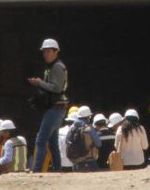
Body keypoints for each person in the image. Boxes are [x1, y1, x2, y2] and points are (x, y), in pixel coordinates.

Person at [28, 38, 69, 172]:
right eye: (44, 51)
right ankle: (58, 170)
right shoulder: (52, 66)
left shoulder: (57, 66)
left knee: (41, 140)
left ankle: (37, 170)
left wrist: (39, 83)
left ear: (56, 51)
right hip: (56, 108)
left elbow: (57, 88)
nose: (45, 54)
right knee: (52, 142)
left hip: (56, 108)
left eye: (48, 51)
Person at [65, 105, 101, 171]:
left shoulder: (71, 128)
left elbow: (67, 142)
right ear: (88, 117)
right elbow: (99, 144)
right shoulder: (89, 128)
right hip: (89, 162)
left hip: (75, 162)